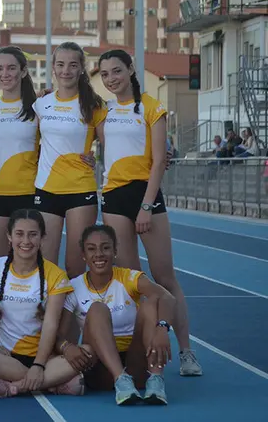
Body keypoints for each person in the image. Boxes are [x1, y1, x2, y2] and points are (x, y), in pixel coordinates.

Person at [96, 49, 201, 376]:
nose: (111, 79)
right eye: (104, 74)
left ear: (130, 70)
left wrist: (145, 205)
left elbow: (158, 162)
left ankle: (186, 351)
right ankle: (141, 351)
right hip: (113, 196)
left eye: (116, 71)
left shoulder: (152, 107)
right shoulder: (103, 110)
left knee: (164, 276)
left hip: (145, 196)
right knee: (133, 280)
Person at [0, 209, 84, 398]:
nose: (26, 241)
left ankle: (13, 386)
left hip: (43, 357)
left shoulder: (55, 275)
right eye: (19, 234)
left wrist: (39, 365)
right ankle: (49, 383)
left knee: (87, 352)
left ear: (42, 238)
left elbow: (50, 324)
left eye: (33, 234)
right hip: (4, 357)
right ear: (9, 236)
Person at [58, 224, 175, 405]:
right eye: (91, 249)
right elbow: (59, 335)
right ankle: (120, 379)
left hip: (136, 365)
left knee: (151, 303)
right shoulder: (73, 287)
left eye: (105, 248)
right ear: (83, 255)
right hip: (99, 369)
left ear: (115, 251)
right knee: (97, 309)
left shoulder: (129, 278)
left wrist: (162, 327)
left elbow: (167, 297)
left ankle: (156, 380)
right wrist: (67, 347)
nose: (99, 254)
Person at [34, 42, 106, 278]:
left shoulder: (94, 105)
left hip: (80, 190)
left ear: (81, 68)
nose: (66, 71)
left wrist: (160, 153)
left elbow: (113, 144)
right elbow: (26, 142)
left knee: (75, 267)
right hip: (46, 189)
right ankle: (49, 304)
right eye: (61, 64)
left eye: (73, 65)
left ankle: (75, 305)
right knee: (46, 266)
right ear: (53, 67)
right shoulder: (41, 103)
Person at [0, 46, 40, 256]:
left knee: (27, 261)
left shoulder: (38, 107)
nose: (4, 74)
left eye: (11, 68)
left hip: (28, 193)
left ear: (23, 71)